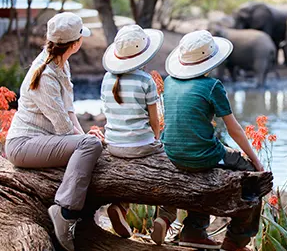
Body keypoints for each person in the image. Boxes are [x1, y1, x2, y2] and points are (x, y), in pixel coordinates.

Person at [4, 12, 104, 251]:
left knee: (91, 143)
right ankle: (65, 212)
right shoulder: (45, 75)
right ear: (76, 43)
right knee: (91, 146)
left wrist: (86, 134)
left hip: (42, 141)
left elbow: (69, 112)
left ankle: (79, 217)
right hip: (23, 145)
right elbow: (62, 128)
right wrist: (86, 141)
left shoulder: (61, 63)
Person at [162, 30, 265, 251]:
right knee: (252, 179)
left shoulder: (169, 81)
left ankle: (194, 230)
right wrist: (255, 160)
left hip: (171, 153)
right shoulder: (212, 86)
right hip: (202, 156)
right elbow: (234, 129)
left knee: (202, 164)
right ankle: (236, 240)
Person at [101, 25, 175, 245]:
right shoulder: (145, 81)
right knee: (171, 174)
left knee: (128, 173)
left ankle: (120, 206)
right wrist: (156, 141)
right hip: (142, 145)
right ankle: (164, 218)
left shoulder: (106, 79)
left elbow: (108, 113)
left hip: (113, 144)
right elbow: (154, 121)